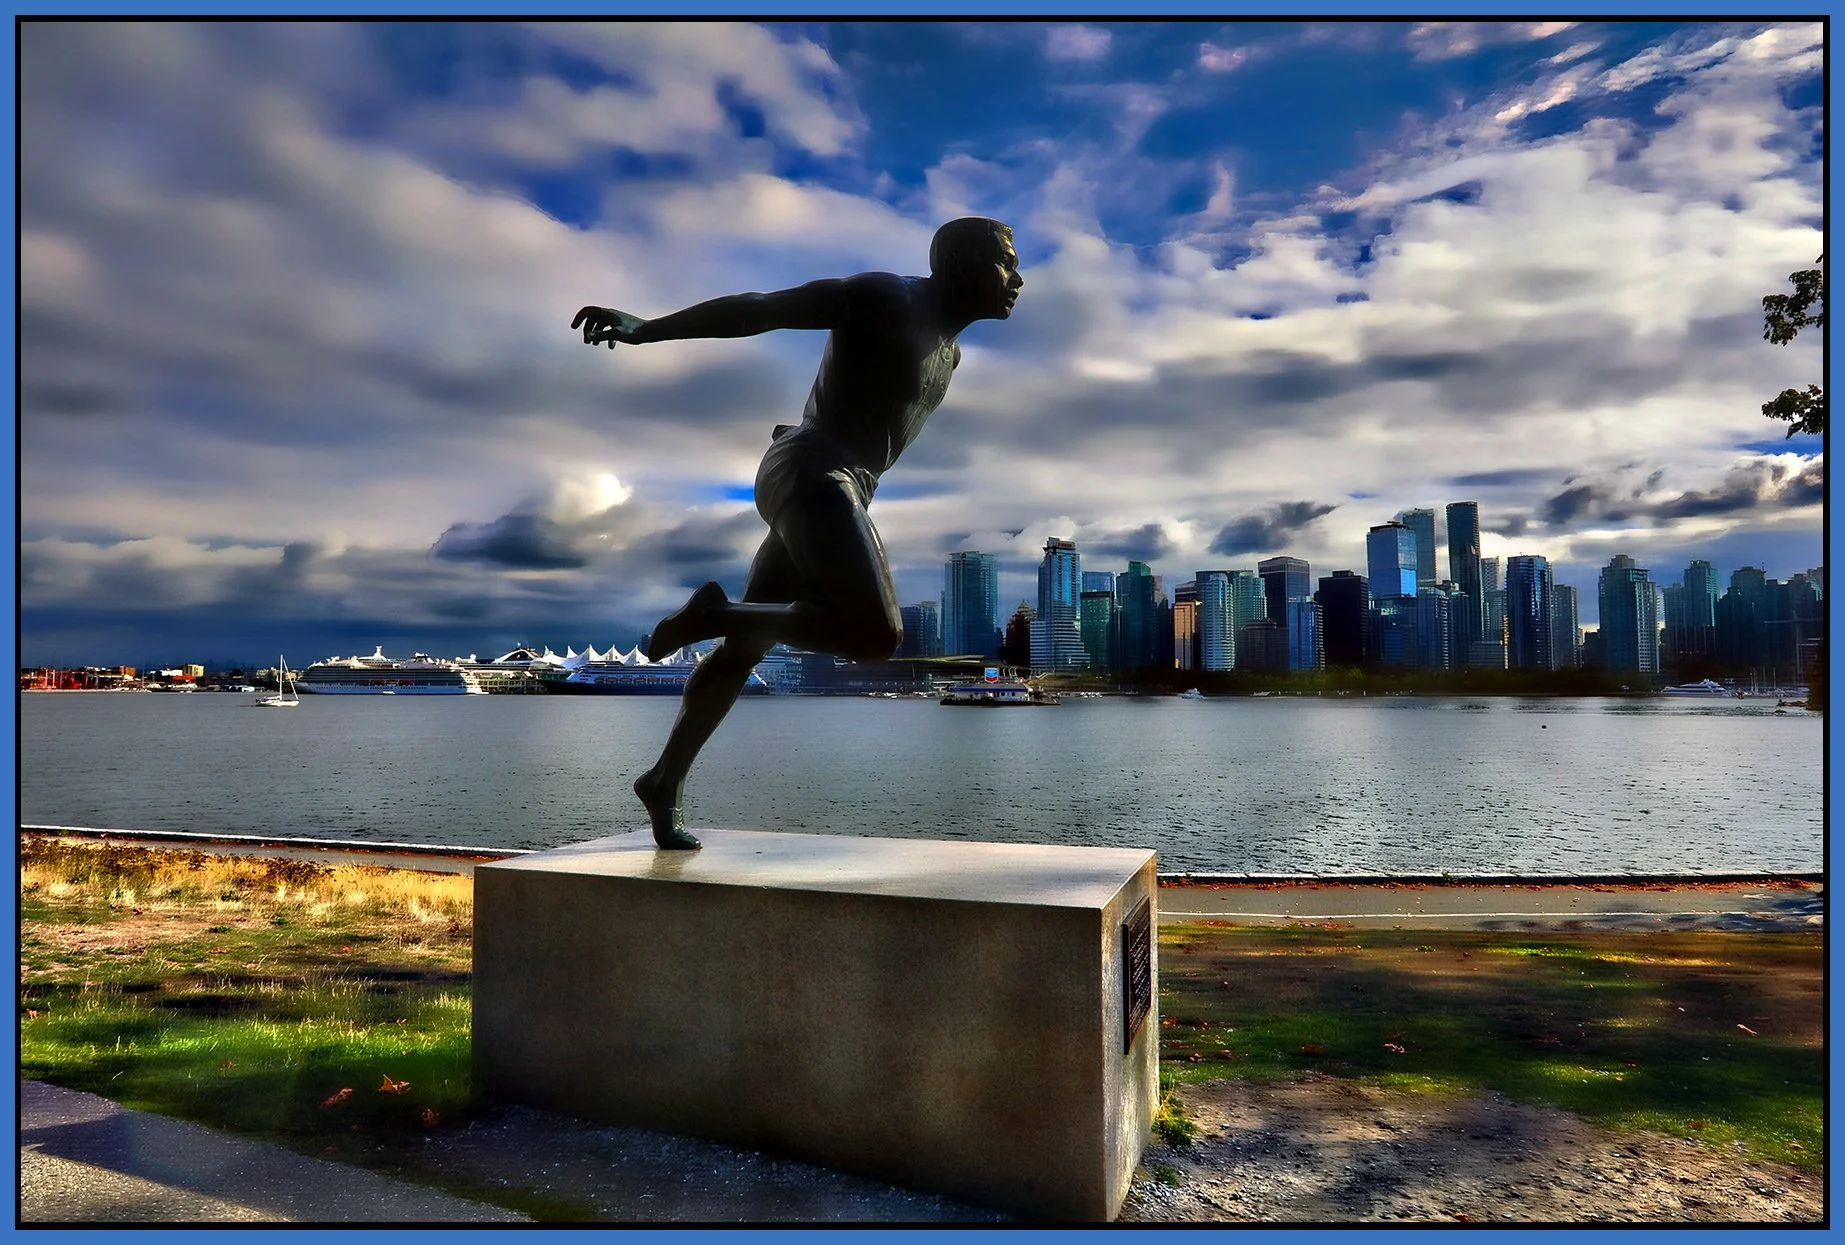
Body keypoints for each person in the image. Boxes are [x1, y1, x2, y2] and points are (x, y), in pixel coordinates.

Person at [573, 218, 1023, 848]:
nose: (1018, 279)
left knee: (743, 650)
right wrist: (648, 329)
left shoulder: (952, 350)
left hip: (836, 484)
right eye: (1005, 263)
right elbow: (764, 310)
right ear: (958, 266)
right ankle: (715, 612)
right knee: (874, 633)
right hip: (811, 470)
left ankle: (663, 781)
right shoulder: (886, 297)